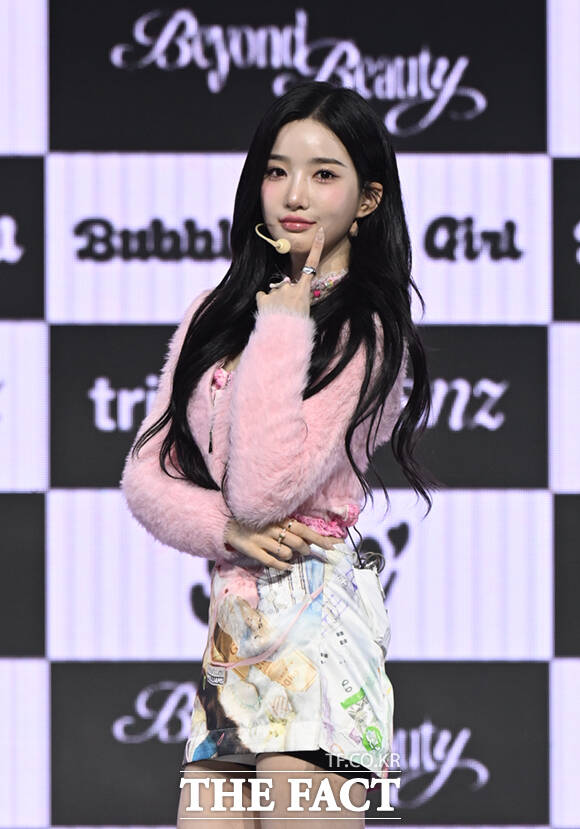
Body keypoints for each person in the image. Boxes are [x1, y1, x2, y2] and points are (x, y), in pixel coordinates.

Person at [120, 80, 437, 827]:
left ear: (367, 199)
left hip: (319, 628)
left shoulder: (367, 330)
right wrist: (224, 530)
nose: (294, 194)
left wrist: (287, 324)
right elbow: (145, 475)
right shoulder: (216, 311)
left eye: (324, 174)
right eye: (276, 170)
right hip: (234, 628)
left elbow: (265, 489)